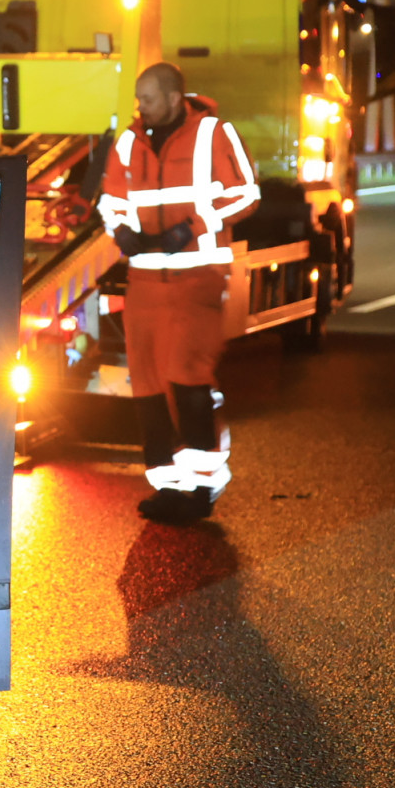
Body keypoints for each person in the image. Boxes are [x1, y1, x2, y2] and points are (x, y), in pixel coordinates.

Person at [97, 62, 260, 523]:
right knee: (147, 383)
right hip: (145, 281)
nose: (139, 107)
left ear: (172, 99)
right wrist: (121, 230)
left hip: (196, 277)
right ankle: (168, 487)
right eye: (137, 99)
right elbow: (111, 200)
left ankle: (203, 486)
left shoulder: (214, 133)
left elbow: (247, 194)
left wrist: (192, 227)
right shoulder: (129, 141)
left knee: (185, 376)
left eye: (147, 98)